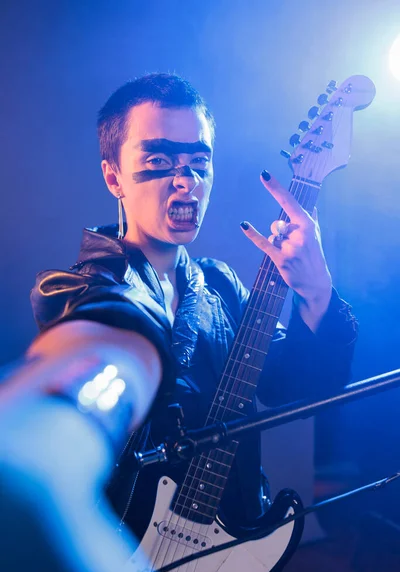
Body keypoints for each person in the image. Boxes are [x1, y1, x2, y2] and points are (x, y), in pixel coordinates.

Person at [29, 73, 357, 544]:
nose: (186, 182)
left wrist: (316, 291)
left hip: (233, 557)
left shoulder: (221, 285)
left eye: (199, 163)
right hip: (124, 561)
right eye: (159, 161)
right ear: (113, 177)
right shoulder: (75, 291)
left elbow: (301, 387)